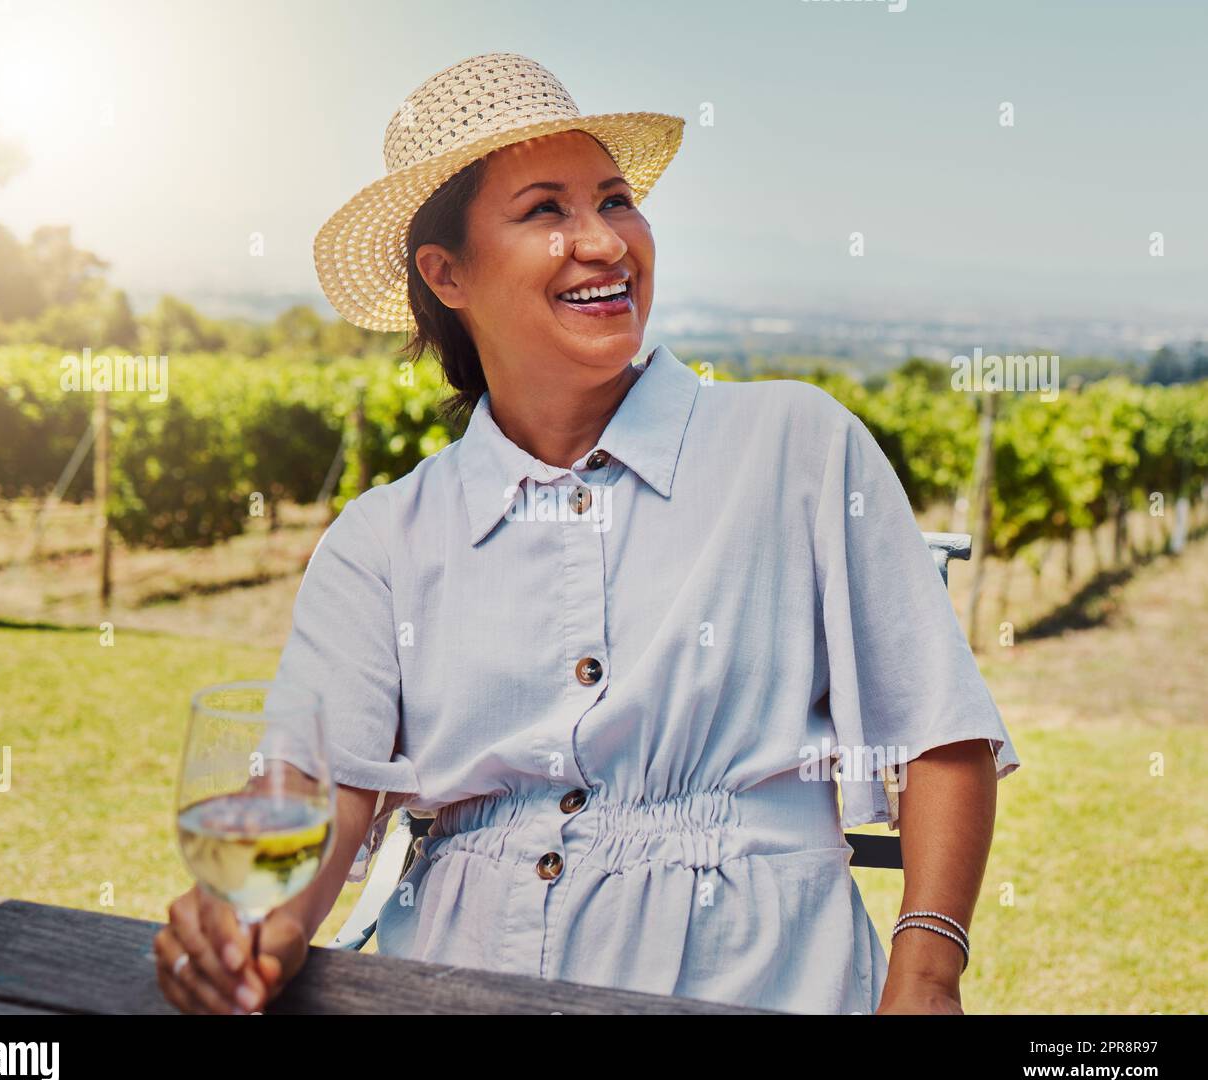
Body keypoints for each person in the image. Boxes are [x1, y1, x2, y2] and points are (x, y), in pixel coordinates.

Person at [154, 51, 1020, 1015]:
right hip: (451, 983)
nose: (604, 242)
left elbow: (940, 732)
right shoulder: (382, 539)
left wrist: (927, 977)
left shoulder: (799, 449)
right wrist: (257, 925)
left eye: (615, 201)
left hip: (763, 984)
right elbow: (322, 791)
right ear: (447, 273)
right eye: (545, 211)